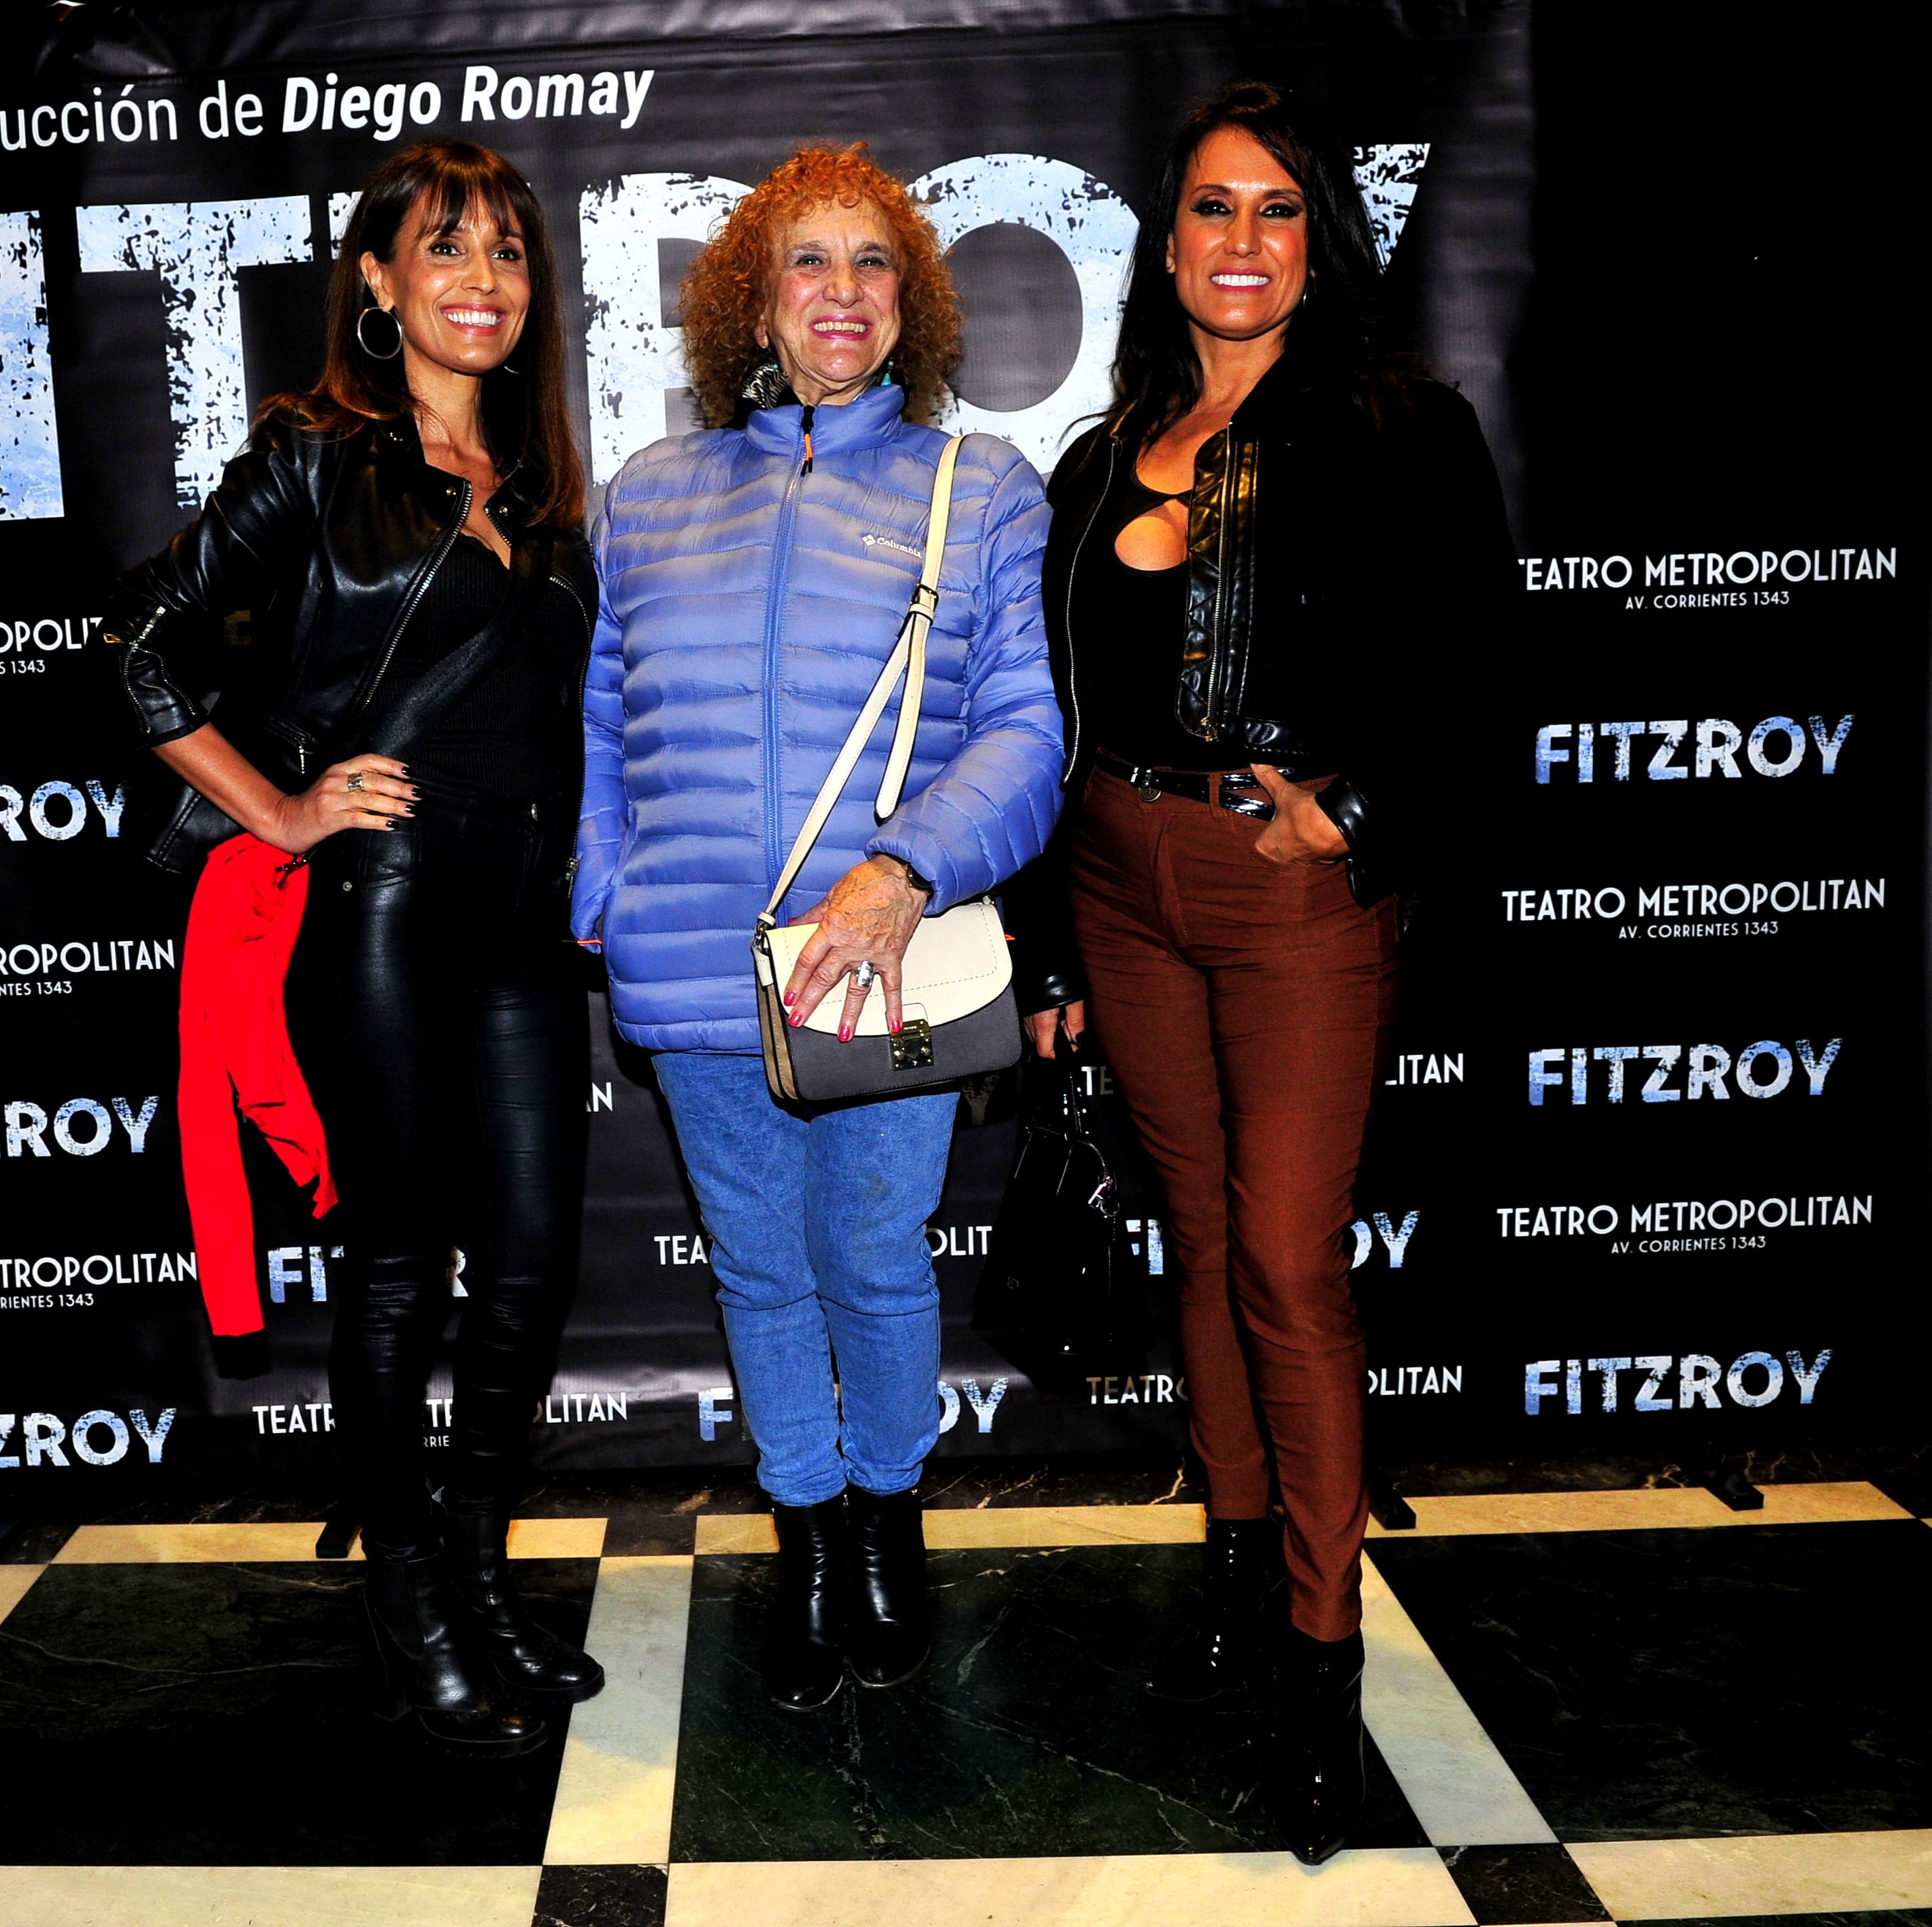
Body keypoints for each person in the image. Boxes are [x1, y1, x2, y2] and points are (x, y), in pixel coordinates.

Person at [1009, 81, 1513, 1862]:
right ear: (1165, 242)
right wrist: (1056, 928)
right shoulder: (1101, 447)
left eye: (1275, 210)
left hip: (1286, 887)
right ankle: (1233, 1576)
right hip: (1117, 875)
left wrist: (1351, 809)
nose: (1240, 241)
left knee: (1291, 1264)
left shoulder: (1397, 426)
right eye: (1212, 209)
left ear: (1321, 239)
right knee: (1205, 1243)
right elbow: (1062, 701)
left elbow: (1477, 680)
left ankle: (1317, 1662)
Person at [106, 141, 602, 1753]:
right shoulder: (318, 459)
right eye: (441, 249)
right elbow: (145, 653)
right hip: (382, 906)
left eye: (507, 254)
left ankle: (476, 1573)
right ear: (376, 282)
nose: (481, 280)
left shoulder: (537, 486)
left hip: (527, 924)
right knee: (400, 1269)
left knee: (525, 1268)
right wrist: (282, 809)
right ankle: (406, 1602)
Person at [574, 145, 1063, 1712]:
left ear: (907, 300)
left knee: (867, 1255)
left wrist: (900, 870)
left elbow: (1024, 730)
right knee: (760, 1272)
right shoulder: (649, 496)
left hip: (880, 962)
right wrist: (603, 889)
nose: (839, 292)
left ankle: (885, 1538)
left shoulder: (973, 487)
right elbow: (596, 720)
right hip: (700, 959)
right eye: (807, 262)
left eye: (870, 264)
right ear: (751, 302)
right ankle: (804, 1546)